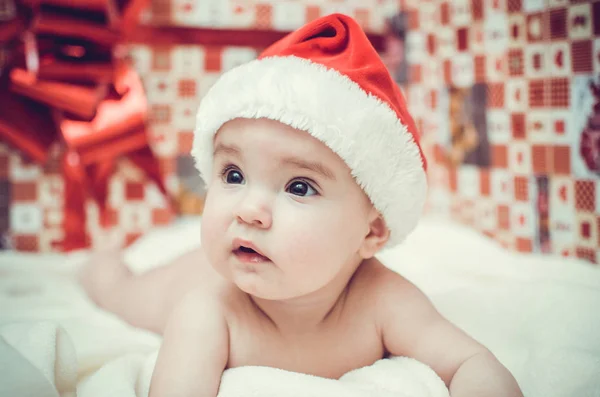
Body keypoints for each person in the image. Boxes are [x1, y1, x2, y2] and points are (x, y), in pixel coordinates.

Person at [81, 14, 523, 397]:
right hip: (180, 281)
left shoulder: (383, 301)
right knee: (121, 294)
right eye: (233, 175)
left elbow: (470, 362)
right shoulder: (207, 312)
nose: (248, 209)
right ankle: (102, 264)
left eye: (298, 187)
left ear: (371, 231)